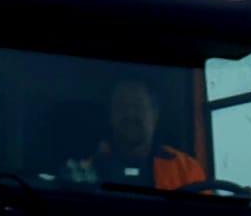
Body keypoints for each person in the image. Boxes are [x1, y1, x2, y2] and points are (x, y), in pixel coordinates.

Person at [67, 79, 206, 190]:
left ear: (155, 114)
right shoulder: (87, 171)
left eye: (138, 106)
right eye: (121, 106)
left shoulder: (186, 170)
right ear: (110, 115)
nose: (129, 114)